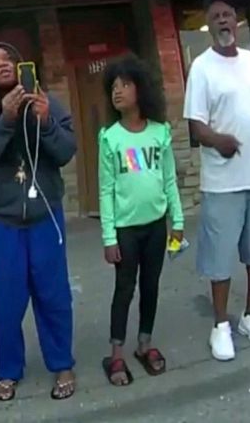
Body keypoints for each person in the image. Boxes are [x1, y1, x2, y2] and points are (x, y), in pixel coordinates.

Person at [0, 42, 78, 401]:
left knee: (54, 296)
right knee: (8, 302)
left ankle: (62, 364)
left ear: (21, 65)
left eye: (8, 58)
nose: (2, 65)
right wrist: (5, 121)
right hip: (1, 222)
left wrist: (45, 124)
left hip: (45, 216)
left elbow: (67, 151)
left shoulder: (47, 102)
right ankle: (9, 369)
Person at [183, 0, 250, 362]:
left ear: (236, 20)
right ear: (208, 25)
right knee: (220, 258)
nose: (223, 20)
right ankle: (220, 324)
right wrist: (217, 140)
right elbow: (195, 127)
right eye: (216, 15)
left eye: (228, 14)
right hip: (222, 183)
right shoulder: (202, 68)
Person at [98, 56, 185, 386]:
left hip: (155, 226)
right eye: (113, 87)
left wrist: (176, 221)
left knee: (151, 286)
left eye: (125, 84)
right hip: (124, 229)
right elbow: (105, 191)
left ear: (141, 89)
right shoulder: (109, 138)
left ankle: (144, 343)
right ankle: (116, 354)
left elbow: (170, 180)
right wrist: (109, 237)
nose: (118, 91)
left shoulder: (160, 133)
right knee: (125, 289)